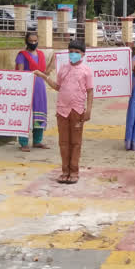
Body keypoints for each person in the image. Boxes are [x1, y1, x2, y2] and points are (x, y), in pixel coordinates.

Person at [35, 39, 94, 184]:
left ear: (83, 54)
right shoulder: (63, 69)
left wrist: (89, 110)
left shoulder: (86, 70)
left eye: (77, 52)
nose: (73, 54)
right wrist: (44, 77)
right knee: (63, 142)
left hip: (77, 110)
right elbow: (57, 86)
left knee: (76, 142)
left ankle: (74, 171)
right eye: (71, 52)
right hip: (62, 110)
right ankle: (65, 171)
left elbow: (90, 91)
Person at [15, 32, 49, 152]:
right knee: (25, 113)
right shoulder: (22, 55)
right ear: (26, 41)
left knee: (39, 112)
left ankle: (37, 141)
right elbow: (20, 73)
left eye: (35, 41)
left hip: (40, 87)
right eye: (31, 41)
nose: (33, 43)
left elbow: (44, 72)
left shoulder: (41, 54)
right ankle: (23, 142)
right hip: (27, 88)